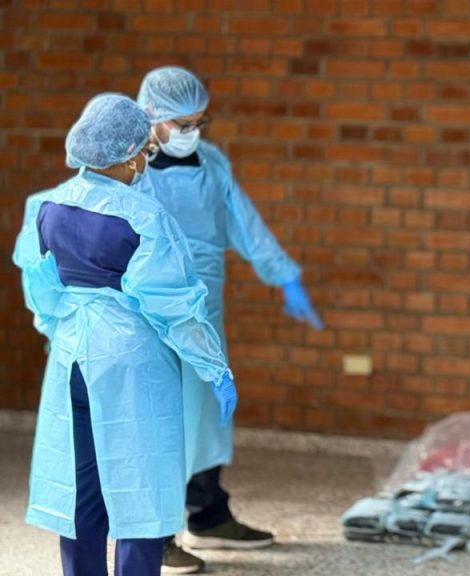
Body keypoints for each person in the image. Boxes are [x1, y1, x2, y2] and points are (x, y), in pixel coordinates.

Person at [12, 93, 236, 576]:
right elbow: (175, 306)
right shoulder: (144, 216)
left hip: (71, 357)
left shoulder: (49, 206)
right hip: (131, 361)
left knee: (81, 484)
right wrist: (214, 367)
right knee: (142, 481)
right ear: (133, 155)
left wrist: (56, 329)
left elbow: (40, 286)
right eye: (145, 153)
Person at [135, 66, 322, 573]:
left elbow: (244, 222)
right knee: (162, 421)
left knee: (207, 413)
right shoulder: (131, 168)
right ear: (150, 116)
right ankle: (155, 536)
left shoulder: (212, 162)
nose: (192, 132)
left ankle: (209, 513)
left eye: (200, 122)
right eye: (182, 123)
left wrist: (284, 275)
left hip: (205, 307)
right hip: (152, 311)